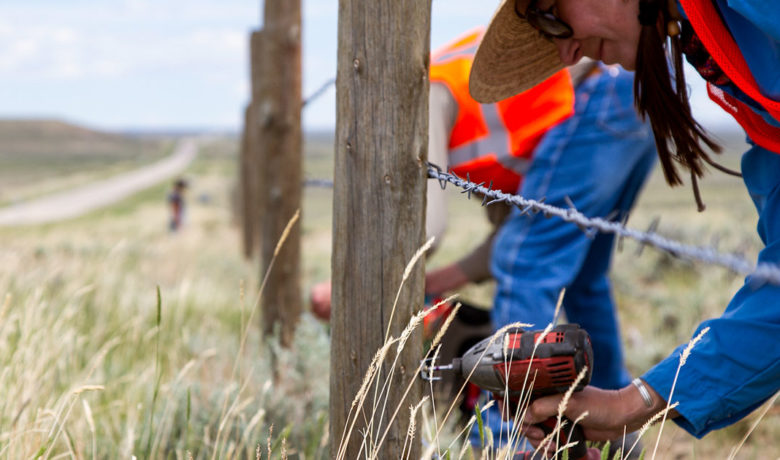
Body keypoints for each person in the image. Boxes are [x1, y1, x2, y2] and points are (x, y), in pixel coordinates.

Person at [312, 27, 657, 453]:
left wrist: (353, 288)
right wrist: (434, 282)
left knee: (526, 267)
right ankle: (617, 433)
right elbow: (506, 241)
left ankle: (508, 441)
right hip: (635, 91)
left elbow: (424, 228)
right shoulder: (477, 107)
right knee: (583, 278)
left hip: (594, 98)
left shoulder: (420, 97)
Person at [468, 0, 780, 451]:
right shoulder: (739, 79)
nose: (567, 55)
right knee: (583, 276)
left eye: (551, 15)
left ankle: (507, 442)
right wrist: (629, 404)